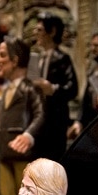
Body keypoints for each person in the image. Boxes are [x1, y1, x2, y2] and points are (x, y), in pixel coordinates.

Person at [0, 38, 46, 195]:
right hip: (4, 151)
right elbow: (0, 124)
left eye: (3, 55)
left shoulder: (30, 88)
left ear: (15, 61)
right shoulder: (5, 90)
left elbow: (40, 114)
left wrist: (28, 135)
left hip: (22, 153)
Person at [29, 13, 78, 163]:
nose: (35, 33)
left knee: (54, 161)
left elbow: (72, 88)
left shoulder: (62, 59)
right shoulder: (37, 60)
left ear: (52, 32)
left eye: (40, 30)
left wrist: (53, 89)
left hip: (55, 121)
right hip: (38, 119)